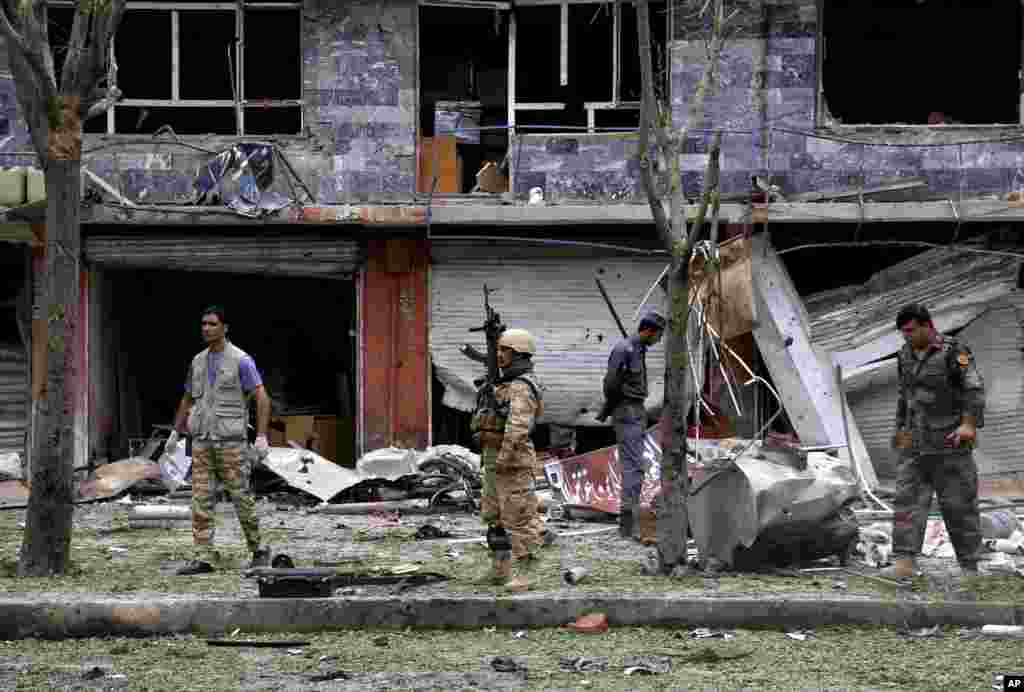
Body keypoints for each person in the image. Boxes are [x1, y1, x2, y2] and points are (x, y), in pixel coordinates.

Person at [884, 303, 985, 580]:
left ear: (927, 326)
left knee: (959, 505)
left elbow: (973, 389)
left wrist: (968, 424)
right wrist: (899, 431)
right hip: (915, 444)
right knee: (907, 502)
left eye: (910, 331)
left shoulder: (956, 352)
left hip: (949, 443)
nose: (906, 336)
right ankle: (905, 564)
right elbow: (905, 396)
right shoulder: (904, 354)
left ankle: (970, 567)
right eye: (902, 332)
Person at [169, 306, 272, 576]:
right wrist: (176, 432)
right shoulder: (197, 361)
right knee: (200, 500)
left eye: (212, 324)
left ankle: (259, 550)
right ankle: (204, 556)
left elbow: (262, 398)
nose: (206, 328)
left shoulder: (241, 360)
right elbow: (188, 398)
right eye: (203, 324)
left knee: (241, 497)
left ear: (225, 328)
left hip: (231, 443)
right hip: (202, 441)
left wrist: (261, 435)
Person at [471, 328, 546, 592]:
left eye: (506, 351)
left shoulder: (522, 386)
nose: (500, 355)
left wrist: (503, 458)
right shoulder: (502, 384)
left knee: (519, 516)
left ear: (519, 354)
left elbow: (518, 427)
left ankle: (526, 572)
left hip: (513, 460)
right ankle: (499, 568)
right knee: (494, 515)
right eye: (500, 350)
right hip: (493, 456)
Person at [597, 310, 665, 539]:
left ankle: (630, 523)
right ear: (649, 331)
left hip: (635, 409)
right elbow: (610, 385)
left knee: (635, 465)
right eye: (659, 335)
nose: (659, 340)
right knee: (634, 466)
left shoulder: (637, 349)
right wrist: (620, 404)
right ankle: (630, 523)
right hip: (627, 410)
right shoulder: (624, 349)